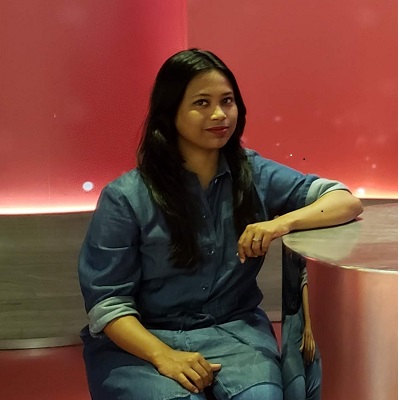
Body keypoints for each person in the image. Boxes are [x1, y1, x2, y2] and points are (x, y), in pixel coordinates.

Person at [78, 48, 363, 400]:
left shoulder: (254, 173)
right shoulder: (125, 197)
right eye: (202, 103)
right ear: (170, 112)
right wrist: (164, 356)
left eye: (227, 101)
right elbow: (108, 304)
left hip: (235, 333)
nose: (219, 114)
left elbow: (343, 200)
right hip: (144, 343)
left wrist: (280, 224)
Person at [281, 249, 322, 400]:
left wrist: (308, 326)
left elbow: (303, 274)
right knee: (296, 383)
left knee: (315, 372)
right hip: (280, 319)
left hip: (297, 313)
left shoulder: (292, 248)